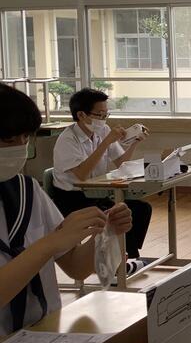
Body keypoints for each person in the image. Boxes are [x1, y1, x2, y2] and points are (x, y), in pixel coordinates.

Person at [0, 84, 132, 335]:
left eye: (25, 138)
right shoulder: (68, 139)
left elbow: (76, 267)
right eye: (9, 140)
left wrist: (105, 233)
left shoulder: (27, 191)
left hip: (43, 330)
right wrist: (50, 243)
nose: (19, 148)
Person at [51, 88, 151, 259]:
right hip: (72, 198)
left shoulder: (103, 131)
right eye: (99, 115)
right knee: (118, 216)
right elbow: (82, 175)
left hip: (96, 193)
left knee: (141, 208)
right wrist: (105, 143)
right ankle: (122, 260)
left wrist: (134, 142)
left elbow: (121, 162)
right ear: (81, 115)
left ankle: (129, 256)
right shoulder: (67, 140)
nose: (103, 120)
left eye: (106, 115)